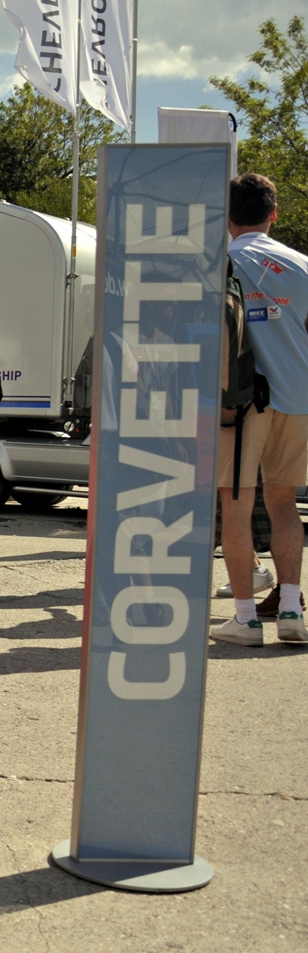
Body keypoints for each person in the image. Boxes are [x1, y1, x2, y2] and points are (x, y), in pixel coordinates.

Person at [213, 173, 308, 645]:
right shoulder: (304, 265)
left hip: (243, 402)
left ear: (226, 217)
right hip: (299, 398)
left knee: (236, 505)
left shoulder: (220, 261)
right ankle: (292, 610)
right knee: (285, 505)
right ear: (274, 214)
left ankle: (247, 618)